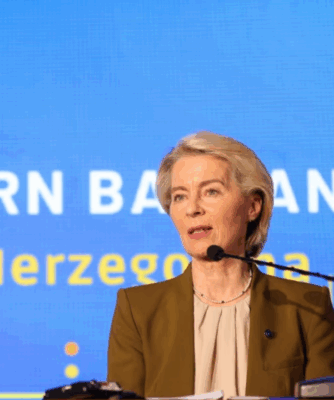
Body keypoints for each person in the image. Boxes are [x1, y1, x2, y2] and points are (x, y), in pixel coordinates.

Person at [107, 131, 334, 398]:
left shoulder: (307, 307)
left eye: (211, 191)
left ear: (252, 206)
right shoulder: (138, 310)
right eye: (179, 196)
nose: (192, 208)